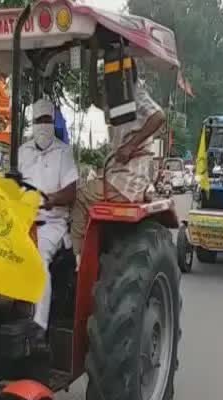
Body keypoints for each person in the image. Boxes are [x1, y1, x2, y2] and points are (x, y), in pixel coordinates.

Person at [71, 60, 166, 260]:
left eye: (110, 74)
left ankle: (76, 259)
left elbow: (159, 116)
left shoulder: (134, 93)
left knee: (79, 196)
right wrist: (94, 52)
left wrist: (131, 146)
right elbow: (96, 99)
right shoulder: (119, 99)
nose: (107, 79)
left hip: (126, 180)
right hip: (119, 176)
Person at [19, 98, 78, 330]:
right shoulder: (22, 152)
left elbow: (72, 190)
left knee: (38, 258)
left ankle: (38, 328)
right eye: (38, 121)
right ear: (32, 124)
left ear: (53, 123)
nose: (43, 125)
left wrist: (51, 199)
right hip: (22, 221)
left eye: (47, 120)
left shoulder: (63, 153)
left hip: (51, 223)